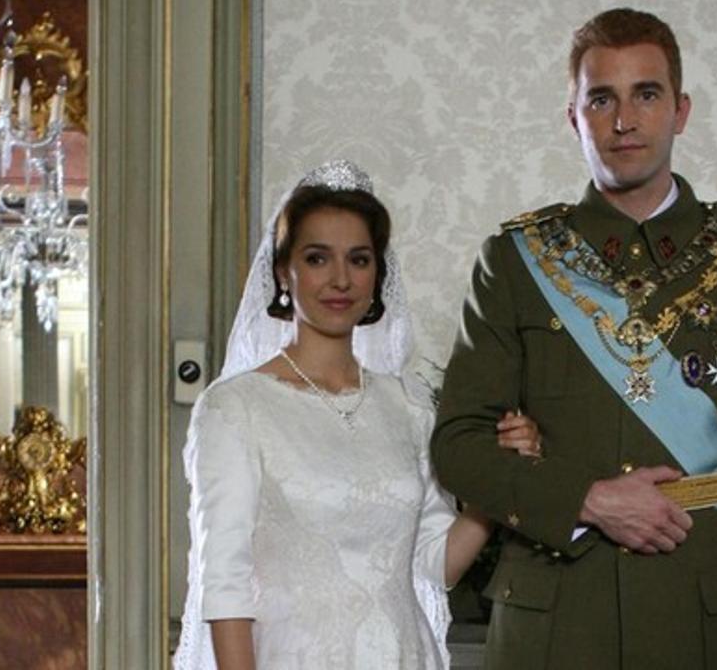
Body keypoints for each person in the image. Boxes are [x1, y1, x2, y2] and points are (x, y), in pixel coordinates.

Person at [431, 8, 717, 670]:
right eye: (601, 99)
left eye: (647, 94)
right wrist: (587, 498)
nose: (624, 121)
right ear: (574, 117)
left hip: (707, 619)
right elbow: (458, 447)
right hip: (553, 618)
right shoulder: (518, 259)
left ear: (681, 110)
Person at [173, 160, 543, 670]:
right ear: (285, 271)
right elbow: (224, 581)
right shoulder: (236, 407)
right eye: (318, 258)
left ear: (377, 275)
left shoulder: (408, 405)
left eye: (359, 259)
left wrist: (500, 475)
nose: (341, 279)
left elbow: (439, 565)